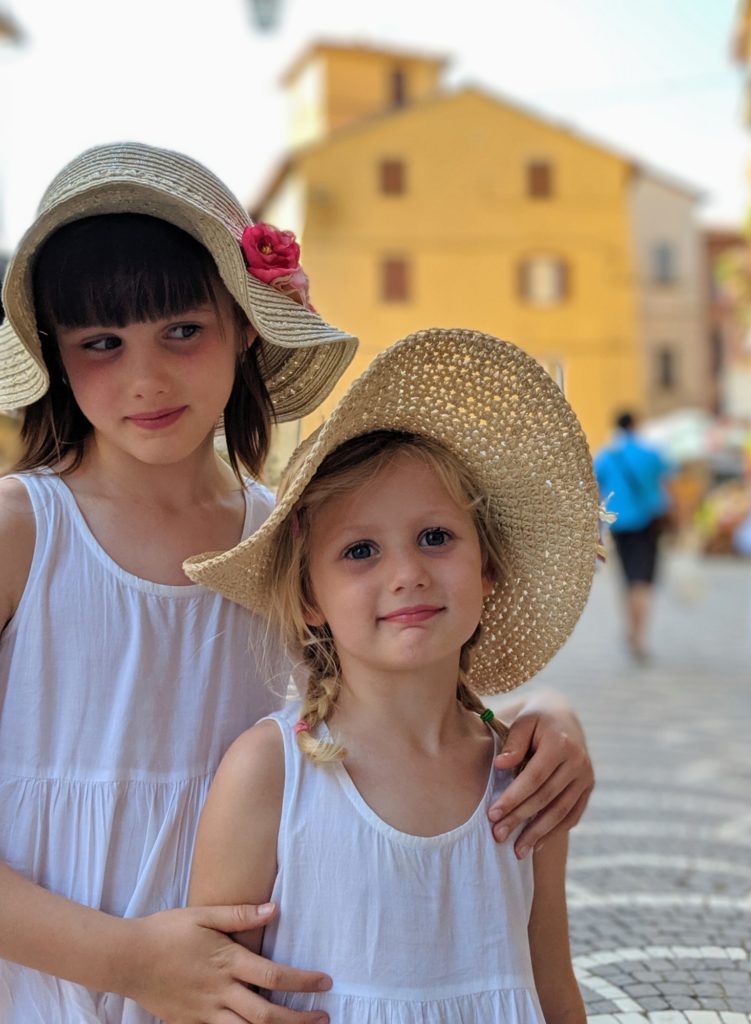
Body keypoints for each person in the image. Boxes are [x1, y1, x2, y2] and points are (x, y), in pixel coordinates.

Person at [0, 144, 594, 1024]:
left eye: (182, 329)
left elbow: (394, 702)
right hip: (50, 985)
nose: (146, 377)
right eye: (101, 343)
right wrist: (130, 963)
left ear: (245, 325)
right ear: (54, 352)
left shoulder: (290, 541)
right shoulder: (21, 531)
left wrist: (551, 719)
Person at [186, 328, 601, 1023]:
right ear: (310, 596)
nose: (407, 573)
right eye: (360, 550)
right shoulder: (270, 773)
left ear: (487, 567)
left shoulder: (524, 777)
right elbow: (206, 999)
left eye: (435, 538)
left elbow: (553, 984)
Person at [594, 410, 672, 662]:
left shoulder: (606, 455)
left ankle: (630, 629)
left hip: (619, 524)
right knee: (643, 580)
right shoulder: (651, 453)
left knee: (627, 578)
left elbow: (596, 491)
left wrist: (596, 527)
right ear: (636, 425)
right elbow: (667, 486)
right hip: (648, 523)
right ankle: (639, 636)